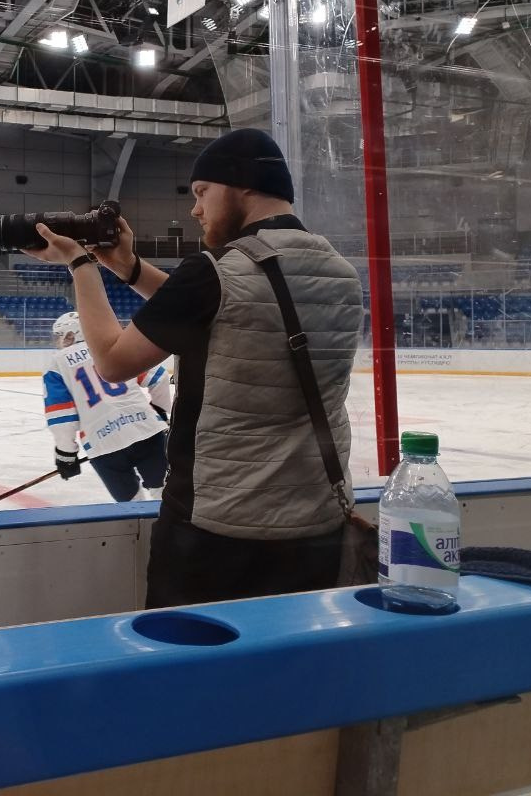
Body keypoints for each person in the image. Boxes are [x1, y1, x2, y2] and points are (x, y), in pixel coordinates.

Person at [22, 128, 363, 608]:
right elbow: (229, 312)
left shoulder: (217, 269)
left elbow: (113, 362)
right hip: (317, 523)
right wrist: (128, 267)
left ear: (243, 184)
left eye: (202, 192)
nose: (195, 209)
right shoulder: (340, 271)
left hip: (219, 528)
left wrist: (80, 264)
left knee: (190, 650)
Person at [43, 311, 171, 502]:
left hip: (102, 444)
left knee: (130, 506)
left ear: (72, 334)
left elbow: (61, 416)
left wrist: (66, 453)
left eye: (61, 336)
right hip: (147, 430)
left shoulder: (56, 364)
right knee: (166, 495)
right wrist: (160, 411)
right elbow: (159, 378)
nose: (59, 341)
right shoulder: (112, 346)